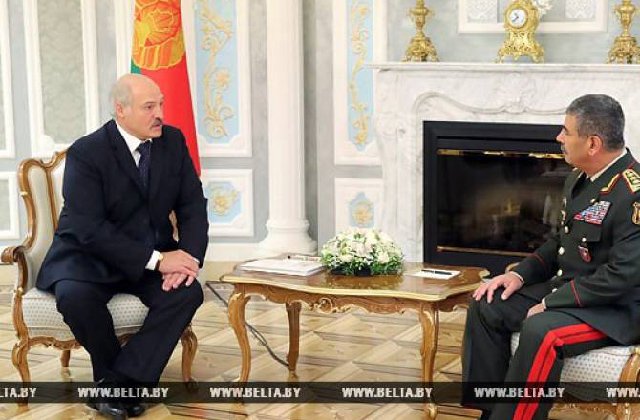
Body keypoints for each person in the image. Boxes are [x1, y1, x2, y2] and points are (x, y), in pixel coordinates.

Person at [36, 74, 208, 419]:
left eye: (161, 105)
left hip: (149, 256)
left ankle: (118, 385)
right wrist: (158, 261)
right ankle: (121, 385)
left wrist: (187, 258)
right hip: (88, 257)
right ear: (121, 110)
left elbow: (192, 205)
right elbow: (89, 228)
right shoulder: (88, 151)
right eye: (149, 107)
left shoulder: (173, 141)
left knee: (187, 293)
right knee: (75, 297)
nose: (160, 114)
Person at [461, 94, 640, 420]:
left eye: (566, 131)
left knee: (542, 330)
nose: (559, 137)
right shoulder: (580, 178)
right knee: (487, 304)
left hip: (615, 310)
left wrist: (552, 302)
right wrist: (518, 275)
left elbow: (623, 276)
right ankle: (492, 410)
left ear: (593, 144)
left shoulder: (633, 193)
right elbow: (561, 242)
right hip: (572, 291)